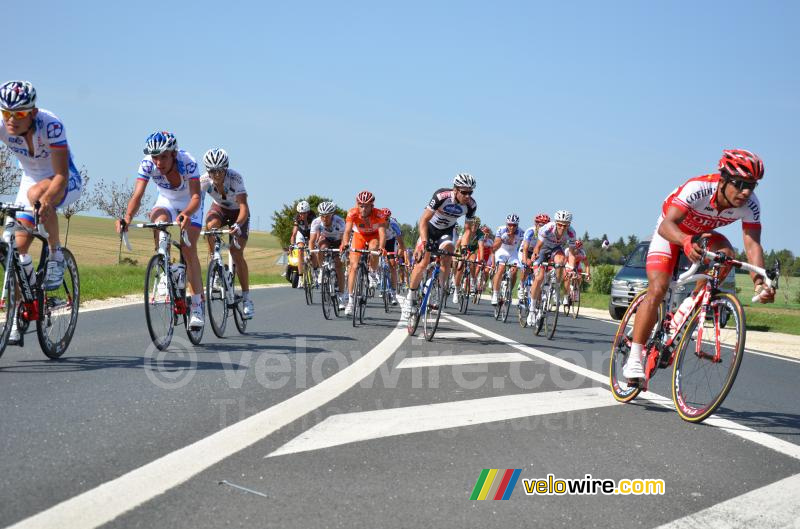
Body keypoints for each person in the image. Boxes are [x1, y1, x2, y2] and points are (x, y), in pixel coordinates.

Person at [622, 149, 774, 380]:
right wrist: (684, 241)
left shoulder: (751, 204)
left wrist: (759, 281)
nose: (745, 192)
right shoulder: (699, 188)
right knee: (658, 288)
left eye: (751, 186)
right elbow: (667, 225)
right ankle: (634, 358)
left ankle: (688, 306)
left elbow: (752, 245)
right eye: (739, 183)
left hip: (701, 233)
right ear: (722, 179)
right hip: (671, 231)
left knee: (726, 255)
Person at [0, 80, 83, 342]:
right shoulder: (3, 124)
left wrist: (46, 200)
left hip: (63, 179)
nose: (11, 120)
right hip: (29, 177)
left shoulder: (51, 125)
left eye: (19, 113)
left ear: (32, 113)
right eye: (6, 113)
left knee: (37, 197)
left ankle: (56, 255)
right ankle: (21, 309)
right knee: (14, 245)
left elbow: (60, 174)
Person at [116, 131, 205, 328]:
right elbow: (137, 195)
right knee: (158, 220)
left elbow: (197, 197)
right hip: (166, 200)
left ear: (173, 154)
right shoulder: (147, 163)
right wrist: (127, 217)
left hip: (190, 203)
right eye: (155, 156)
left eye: (163, 156)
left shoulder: (187, 161)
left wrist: (187, 214)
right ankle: (164, 266)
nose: (158, 162)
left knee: (188, 249)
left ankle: (198, 306)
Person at [403, 173, 477, 318]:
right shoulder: (441, 196)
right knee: (423, 262)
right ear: (455, 190)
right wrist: (424, 242)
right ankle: (410, 297)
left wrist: (464, 248)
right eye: (464, 192)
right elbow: (423, 220)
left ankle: (438, 291)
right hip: (429, 229)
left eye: (470, 192)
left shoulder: (471, 205)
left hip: (447, 231)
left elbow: (467, 230)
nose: (467, 196)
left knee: (449, 250)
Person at [200, 148, 254, 319]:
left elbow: (244, 206)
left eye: (219, 171)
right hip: (220, 209)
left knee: (236, 252)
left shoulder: (235, 178)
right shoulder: (204, 180)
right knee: (211, 227)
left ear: (226, 169)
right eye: (212, 171)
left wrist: (238, 225)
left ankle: (246, 299)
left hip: (238, 212)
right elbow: (195, 201)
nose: (216, 175)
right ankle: (215, 265)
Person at [340, 191, 388, 315]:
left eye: (366, 206)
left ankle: (372, 272)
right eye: (360, 205)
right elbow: (347, 231)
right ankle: (350, 301)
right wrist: (345, 243)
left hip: (373, 236)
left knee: (374, 247)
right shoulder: (352, 212)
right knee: (353, 267)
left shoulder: (379, 214)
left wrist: (382, 247)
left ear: (372, 205)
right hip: (359, 236)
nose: (363, 208)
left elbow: (382, 233)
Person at [528, 210, 577, 325]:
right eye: (559, 224)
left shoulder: (571, 233)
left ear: (568, 225)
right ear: (556, 223)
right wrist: (534, 257)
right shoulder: (548, 228)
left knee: (561, 261)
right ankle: (532, 309)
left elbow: (571, 253)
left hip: (556, 249)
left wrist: (571, 267)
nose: (562, 227)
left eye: (565, 225)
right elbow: (538, 247)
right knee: (539, 278)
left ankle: (556, 285)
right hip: (543, 249)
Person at [309, 201, 347, 309]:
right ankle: (322, 270)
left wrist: (343, 250)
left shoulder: (339, 221)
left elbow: (344, 239)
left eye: (327, 216)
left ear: (332, 215)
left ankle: (341, 296)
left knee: (339, 265)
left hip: (338, 241)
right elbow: (312, 241)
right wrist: (311, 253)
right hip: (325, 239)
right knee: (321, 249)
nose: (324, 219)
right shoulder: (316, 222)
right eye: (322, 216)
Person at [490, 214, 524, 305]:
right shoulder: (501, 230)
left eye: (514, 225)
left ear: (517, 225)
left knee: (514, 271)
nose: (512, 227)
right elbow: (494, 248)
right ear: (506, 224)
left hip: (513, 253)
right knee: (501, 269)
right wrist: (502, 238)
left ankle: (509, 291)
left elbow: (524, 247)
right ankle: (495, 294)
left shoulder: (521, 232)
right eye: (509, 225)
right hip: (502, 251)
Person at [382, 211, 407, 305]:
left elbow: (401, 242)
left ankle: (393, 292)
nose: (384, 222)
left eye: (386, 220)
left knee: (392, 265)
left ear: (388, 219)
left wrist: (400, 250)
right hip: (379, 240)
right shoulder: (376, 223)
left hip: (390, 242)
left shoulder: (394, 225)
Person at [290, 200, 316, 288]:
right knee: (300, 251)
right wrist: (292, 245)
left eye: (304, 213)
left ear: (308, 212)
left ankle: (316, 273)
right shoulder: (297, 218)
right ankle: (301, 279)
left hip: (310, 233)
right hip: (301, 233)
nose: (302, 215)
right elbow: (294, 233)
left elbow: (315, 231)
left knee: (312, 251)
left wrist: (313, 242)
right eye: (300, 213)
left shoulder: (313, 217)